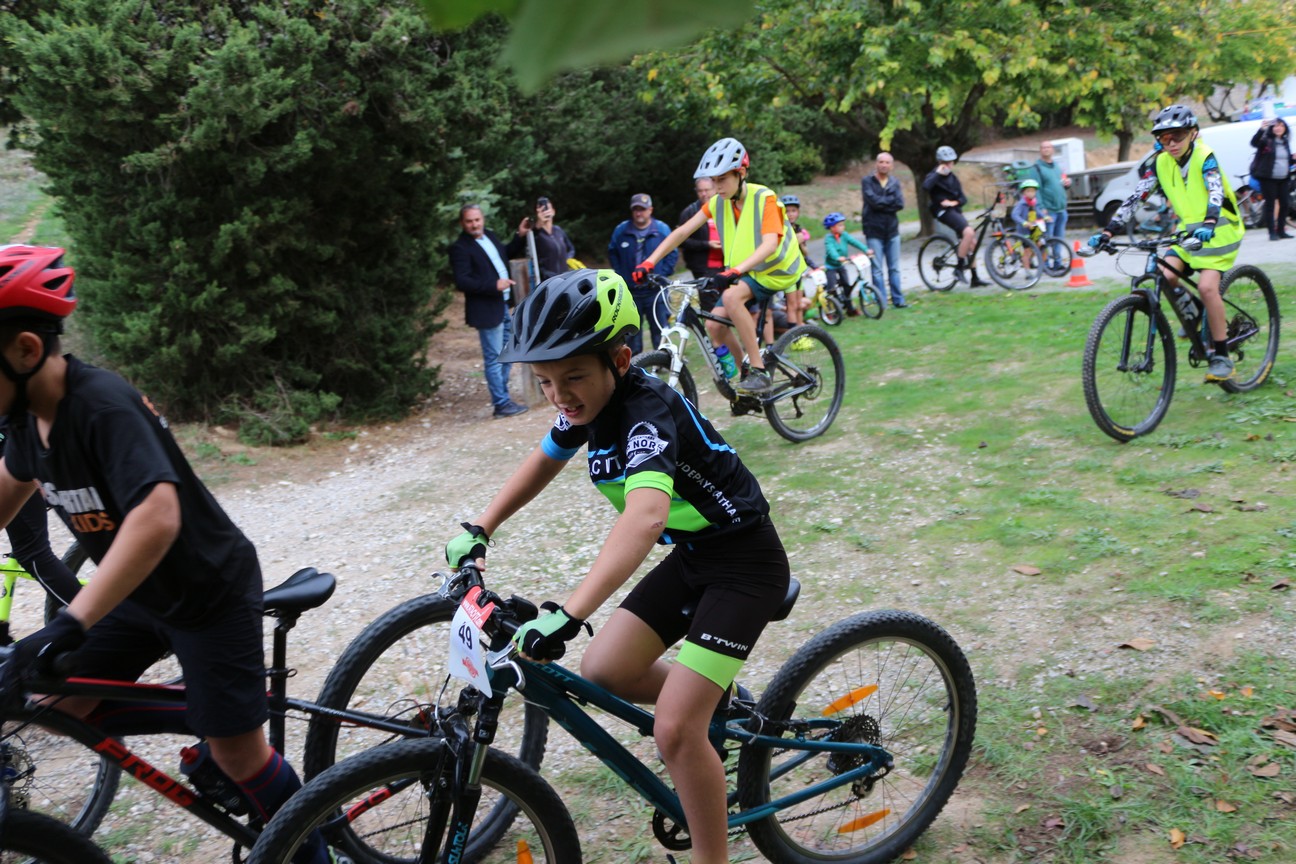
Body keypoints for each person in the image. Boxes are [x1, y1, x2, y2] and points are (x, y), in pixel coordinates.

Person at [444, 269, 789, 864]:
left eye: (573, 376)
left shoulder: (645, 411)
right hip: (694, 556)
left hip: (745, 564)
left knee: (675, 730)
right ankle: (722, 704)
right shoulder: (587, 408)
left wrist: (570, 614)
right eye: (545, 381)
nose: (560, 395)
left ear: (621, 360)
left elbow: (646, 517)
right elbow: (543, 460)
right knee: (604, 669)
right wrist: (481, 526)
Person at [0, 245, 328, 864]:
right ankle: (209, 710)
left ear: (24, 349)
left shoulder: (99, 405)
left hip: (208, 593)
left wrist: (69, 623)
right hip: (142, 594)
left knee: (240, 755)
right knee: (55, 702)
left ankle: (309, 847)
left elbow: (157, 516)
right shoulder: (24, 421)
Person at [633, 138, 808, 395]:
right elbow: (682, 232)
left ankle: (759, 371)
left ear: (741, 173)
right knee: (714, 326)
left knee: (731, 297)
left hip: (776, 270)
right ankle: (746, 377)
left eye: (722, 179)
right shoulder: (718, 203)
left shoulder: (765, 198)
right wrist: (649, 261)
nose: (717, 187)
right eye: (713, 181)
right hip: (749, 271)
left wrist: (734, 271)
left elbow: (770, 244)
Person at [1089, 104, 1244, 383]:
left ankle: (1221, 357)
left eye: (1178, 136)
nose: (1171, 143)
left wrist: (1209, 222)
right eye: (1164, 138)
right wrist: (1109, 231)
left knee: (1207, 287)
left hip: (1219, 230)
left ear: (1193, 133)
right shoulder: (1160, 163)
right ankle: (1198, 314)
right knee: (1165, 275)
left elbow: (1215, 190)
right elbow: (1136, 197)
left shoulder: (1204, 156)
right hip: (1187, 232)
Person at [449, 204, 529, 418]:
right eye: (469, 221)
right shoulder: (460, 248)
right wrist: (494, 285)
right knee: (494, 358)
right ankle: (501, 404)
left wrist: (520, 236)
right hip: (485, 309)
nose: (474, 224)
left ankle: (503, 397)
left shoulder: (490, 236)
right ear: (462, 223)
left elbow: (506, 254)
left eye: (477, 220)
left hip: (502, 305)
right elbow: (462, 281)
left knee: (508, 353)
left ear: (482, 219)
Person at [607, 194, 679, 354]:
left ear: (650, 210)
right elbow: (612, 252)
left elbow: (672, 253)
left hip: (656, 291)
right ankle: (635, 363)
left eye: (643, 209)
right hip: (631, 293)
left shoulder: (661, 229)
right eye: (636, 209)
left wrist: (663, 274)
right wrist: (622, 275)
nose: (639, 213)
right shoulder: (621, 230)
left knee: (661, 332)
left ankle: (664, 361)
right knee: (632, 334)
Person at [922, 146, 988, 286]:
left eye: (950, 162)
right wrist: (937, 173)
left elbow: (963, 199)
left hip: (955, 211)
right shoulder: (933, 176)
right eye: (945, 163)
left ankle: (975, 278)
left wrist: (953, 202)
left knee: (972, 242)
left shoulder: (953, 178)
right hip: (942, 212)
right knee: (969, 232)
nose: (948, 165)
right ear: (939, 162)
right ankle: (958, 268)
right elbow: (926, 187)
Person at [861, 152, 907, 308]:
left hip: (892, 230)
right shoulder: (867, 181)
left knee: (894, 268)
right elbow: (872, 202)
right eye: (881, 162)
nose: (884, 165)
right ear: (876, 164)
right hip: (873, 230)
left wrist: (882, 204)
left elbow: (900, 204)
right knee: (877, 269)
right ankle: (882, 302)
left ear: (891, 165)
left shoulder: (894, 182)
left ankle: (898, 300)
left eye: (887, 162)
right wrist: (889, 202)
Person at [1028, 141, 1072, 268]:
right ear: (1040, 150)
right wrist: (1041, 208)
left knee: (1059, 239)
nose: (1046, 149)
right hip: (1048, 210)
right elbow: (1035, 190)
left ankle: (1057, 263)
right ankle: (1045, 265)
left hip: (1061, 209)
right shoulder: (1036, 168)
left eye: (1048, 147)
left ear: (1052, 150)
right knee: (1046, 239)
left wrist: (1067, 184)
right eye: (1043, 147)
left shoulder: (1057, 166)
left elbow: (1061, 182)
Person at [821, 212, 873, 316]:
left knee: (846, 286)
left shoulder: (844, 235)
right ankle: (831, 310)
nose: (843, 227)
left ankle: (850, 309)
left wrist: (866, 249)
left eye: (843, 225)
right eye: (840, 225)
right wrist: (837, 257)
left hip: (841, 265)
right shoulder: (829, 239)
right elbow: (831, 250)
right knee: (832, 288)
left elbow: (854, 242)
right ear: (832, 228)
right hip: (831, 266)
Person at [1249, 118, 1293, 240]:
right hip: (1268, 178)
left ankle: (1281, 231)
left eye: (1281, 126)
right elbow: (1254, 143)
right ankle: (1272, 232)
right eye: (1276, 126)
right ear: (1272, 128)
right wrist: (1261, 130)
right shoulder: (1266, 140)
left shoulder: (1284, 141)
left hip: (1283, 178)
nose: (1279, 128)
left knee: (1285, 204)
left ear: (1285, 128)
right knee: (1270, 205)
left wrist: (1293, 158)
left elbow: (1285, 160)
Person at [514, 196, 577, 279]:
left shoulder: (558, 230)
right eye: (542, 210)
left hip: (564, 277)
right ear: (538, 213)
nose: (546, 211)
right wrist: (546, 274)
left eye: (548, 208)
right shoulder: (536, 233)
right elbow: (533, 258)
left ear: (553, 211)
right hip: (548, 280)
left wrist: (568, 259)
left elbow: (571, 248)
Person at [677, 178, 725, 280]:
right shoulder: (690, 212)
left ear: (715, 189)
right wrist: (707, 244)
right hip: (701, 267)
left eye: (707, 190)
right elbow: (682, 241)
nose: (704, 194)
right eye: (700, 191)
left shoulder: (725, 208)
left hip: (726, 265)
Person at [778, 195, 810, 326]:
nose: (790, 214)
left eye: (793, 211)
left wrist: (801, 242)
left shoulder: (798, 228)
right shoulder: (781, 228)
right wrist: (794, 241)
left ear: (798, 212)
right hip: (787, 271)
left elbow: (805, 253)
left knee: (798, 303)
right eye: (787, 211)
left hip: (798, 270)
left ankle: (800, 326)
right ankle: (793, 332)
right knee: (791, 305)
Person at [1011, 178, 1051, 268]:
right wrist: (1023, 222)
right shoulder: (1021, 204)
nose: (1031, 193)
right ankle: (1027, 271)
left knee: (1040, 245)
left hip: (1034, 229)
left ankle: (1043, 267)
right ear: (1024, 193)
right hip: (1024, 231)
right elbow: (1015, 215)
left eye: (1033, 191)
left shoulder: (1034, 202)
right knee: (1027, 251)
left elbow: (1038, 212)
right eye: (1028, 191)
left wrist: (1045, 217)